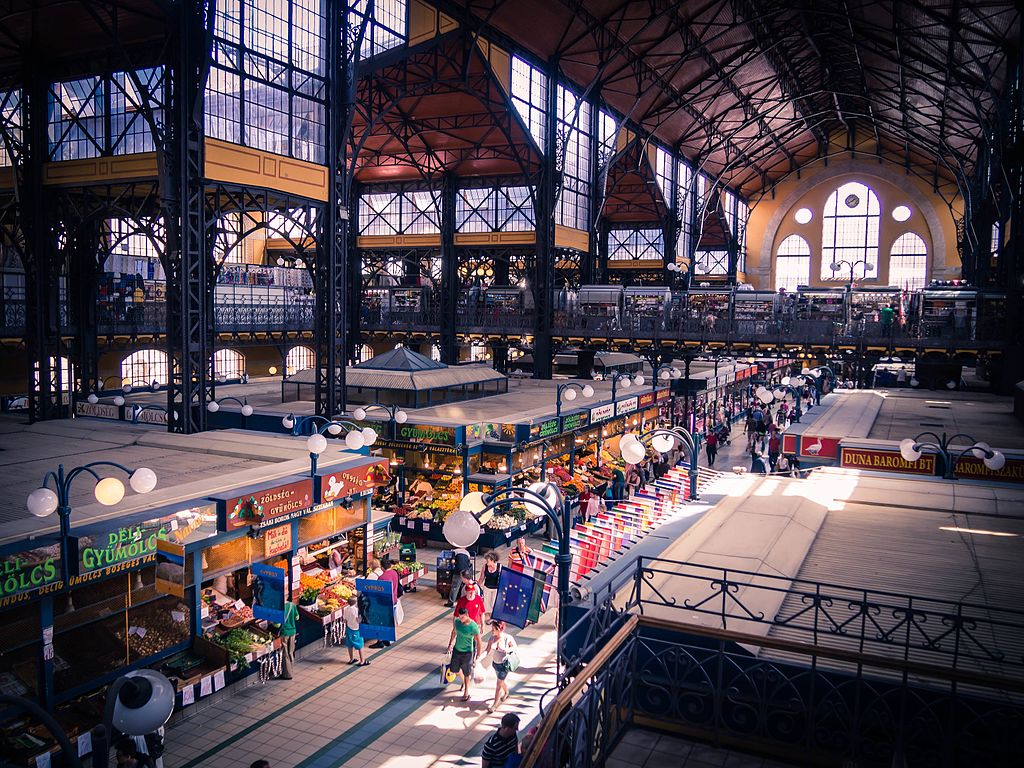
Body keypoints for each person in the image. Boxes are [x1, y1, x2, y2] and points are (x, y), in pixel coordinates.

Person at [447, 606, 482, 702]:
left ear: (467, 615)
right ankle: (464, 682)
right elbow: (454, 632)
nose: (460, 619)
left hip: (467, 652)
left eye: (462, 617)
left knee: (467, 673)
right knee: (455, 670)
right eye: (459, 617)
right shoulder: (457, 622)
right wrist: (450, 644)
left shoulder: (473, 626)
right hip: (457, 650)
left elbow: (479, 642)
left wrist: (477, 656)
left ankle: (466, 692)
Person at [484, 620, 518, 713]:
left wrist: (505, 650)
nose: (492, 631)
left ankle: (495, 704)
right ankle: (507, 692)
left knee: (498, 684)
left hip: (503, 665)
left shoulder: (508, 638)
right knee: (501, 682)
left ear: (500, 629)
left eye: (494, 629)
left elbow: (515, 647)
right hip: (495, 664)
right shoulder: (492, 638)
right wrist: (479, 658)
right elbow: (487, 650)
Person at [369, 560, 401, 648]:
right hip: (393, 600)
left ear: (382, 567)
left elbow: (379, 593)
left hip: (383, 603)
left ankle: (380, 641)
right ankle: (387, 639)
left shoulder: (382, 577)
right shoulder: (395, 573)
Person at [343, 595, 368, 666]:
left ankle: (351, 659)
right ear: (356, 602)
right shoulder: (356, 610)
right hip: (356, 630)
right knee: (360, 645)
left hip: (349, 629)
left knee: (349, 645)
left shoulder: (346, 609)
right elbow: (358, 620)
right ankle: (362, 661)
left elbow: (344, 620)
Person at [278, 599, 298, 679]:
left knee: (285, 653)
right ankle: (291, 669)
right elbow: (297, 617)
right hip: (292, 631)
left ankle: (287, 674)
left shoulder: (279, 608)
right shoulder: (292, 605)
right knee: (290, 652)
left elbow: (277, 624)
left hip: (284, 633)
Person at [479, 552, 501, 621]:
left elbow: (503, 578)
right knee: (487, 603)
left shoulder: (499, 567)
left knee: (493, 602)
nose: (486, 562)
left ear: (492, 560)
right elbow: (482, 577)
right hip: (487, 587)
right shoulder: (484, 566)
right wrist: (478, 586)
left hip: (496, 588)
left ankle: (493, 617)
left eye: (488, 560)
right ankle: (489, 617)